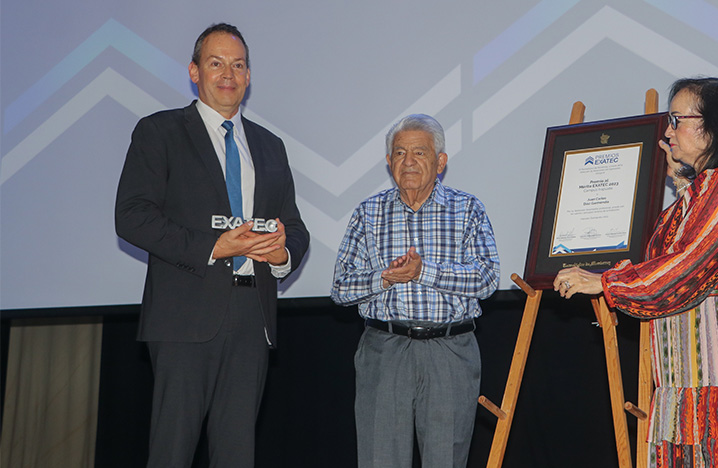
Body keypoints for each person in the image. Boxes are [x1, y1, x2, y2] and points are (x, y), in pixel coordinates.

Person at [554, 78, 718, 467]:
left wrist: (603, 282)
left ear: (715, 127)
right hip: (683, 364)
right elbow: (658, 262)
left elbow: (686, 267)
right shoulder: (692, 198)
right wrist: (680, 183)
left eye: (678, 119)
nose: (668, 131)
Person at [115, 23, 309, 467]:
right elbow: (131, 216)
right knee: (172, 453)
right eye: (216, 63)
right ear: (194, 72)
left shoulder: (269, 145)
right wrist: (213, 246)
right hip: (184, 316)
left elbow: (295, 228)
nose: (229, 73)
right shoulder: (159, 132)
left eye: (238, 65)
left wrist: (282, 253)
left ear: (248, 76)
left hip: (251, 320)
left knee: (237, 455)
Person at [331, 114, 500, 468]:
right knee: (380, 459)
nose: (408, 162)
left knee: (446, 461)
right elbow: (341, 287)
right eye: (399, 153)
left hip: (450, 351)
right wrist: (385, 278)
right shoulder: (368, 212)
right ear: (388, 162)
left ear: (440, 162)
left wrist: (424, 272)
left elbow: (486, 278)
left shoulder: (467, 209)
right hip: (385, 350)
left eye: (420, 153)